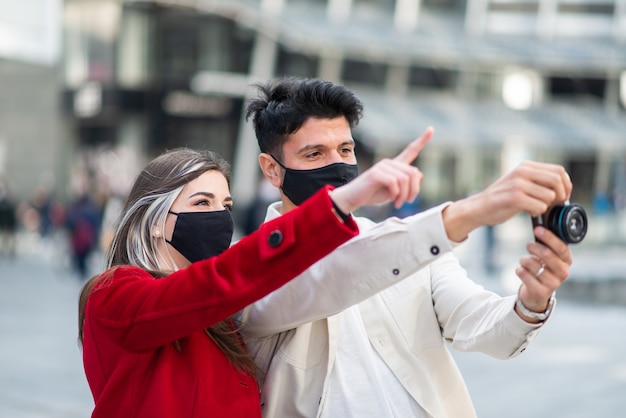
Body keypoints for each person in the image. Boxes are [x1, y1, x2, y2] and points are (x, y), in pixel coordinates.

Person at [239, 77, 574, 418]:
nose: (337, 166)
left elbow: (481, 325)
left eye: (345, 150)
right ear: (272, 169)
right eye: (314, 154)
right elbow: (331, 275)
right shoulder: (245, 270)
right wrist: (470, 212)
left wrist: (531, 301)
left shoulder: (408, 245)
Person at [77, 143, 429, 418]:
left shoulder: (219, 314)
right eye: (202, 203)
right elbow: (224, 279)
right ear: (154, 219)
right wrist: (344, 200)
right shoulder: (115, 293)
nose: (218, 216)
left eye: (225, 205)